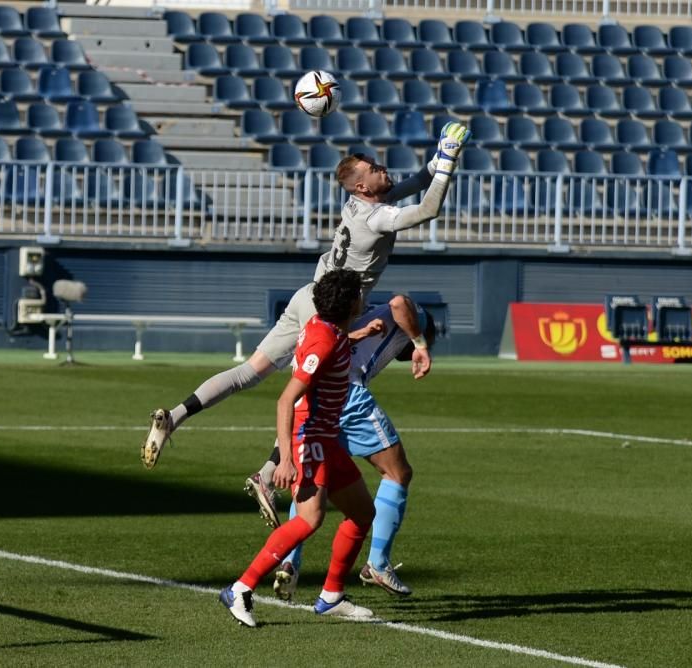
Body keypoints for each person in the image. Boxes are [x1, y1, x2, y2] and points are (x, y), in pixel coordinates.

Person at [140, 123, 470, 467]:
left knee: (248, 372)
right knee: (309, 393)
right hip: (329, 310)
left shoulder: (358, 203)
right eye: (374, 169)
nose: (382, 169)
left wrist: (442, 158)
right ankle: (269, 474)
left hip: (308, 294)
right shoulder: (377, 217)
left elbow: (415, 184)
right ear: (361, 185)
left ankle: (175, 415)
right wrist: (445, 162)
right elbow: (427, 209)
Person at [246, 295, 436, 600]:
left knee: (314, 479)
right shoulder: (414, 316)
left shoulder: (326, 322)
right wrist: (421, 343)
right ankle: (378, 562)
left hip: (317, 398)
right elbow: (401, 303)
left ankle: (290, 562)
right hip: (347, 394)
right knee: (398, 472)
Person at [219, 268, 376, 627]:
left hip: (327, 438)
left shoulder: (326, 328)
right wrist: (286, 459)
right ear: (352, 302)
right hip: (311, 438)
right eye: (359, 294)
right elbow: (286, 399)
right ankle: (240, 589)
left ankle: (331, 596)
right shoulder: (324, 339)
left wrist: (358, 334)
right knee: (309, 519)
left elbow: (329, 346)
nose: (363, 299)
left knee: (363, 512)